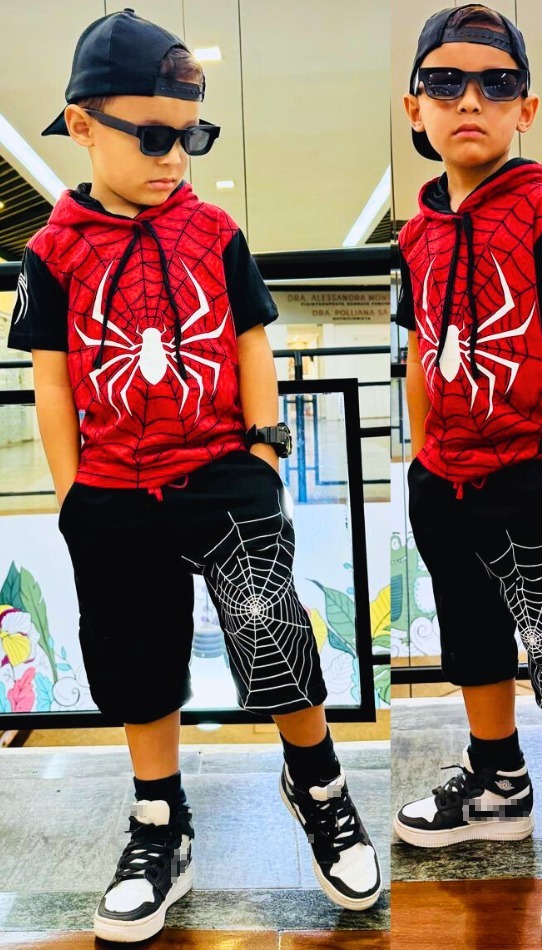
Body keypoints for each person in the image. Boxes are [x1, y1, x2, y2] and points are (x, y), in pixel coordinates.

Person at [7, 9, 380, 941]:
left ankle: (319, 782)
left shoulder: (215, 230)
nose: (176, 157)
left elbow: (252, 341)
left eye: (193, 136)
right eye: (154, 136)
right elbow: (51, 379)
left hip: (222, 468)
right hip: (111, 487)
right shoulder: (51, 252)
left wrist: (264, 448)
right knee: (134, 654)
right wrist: (72, 493)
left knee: (270, 621)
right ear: (83, 124)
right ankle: (158, 821)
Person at [391, 4, 542, 941]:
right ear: (416, 106)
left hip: (532, 469)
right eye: (446, 82)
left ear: (526, 108)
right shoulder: (413, 234)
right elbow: (418, 346)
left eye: (496, 85)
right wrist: (423, 452)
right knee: (471, 633)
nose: (470, 101)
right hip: (446, 473)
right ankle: (498, 780)